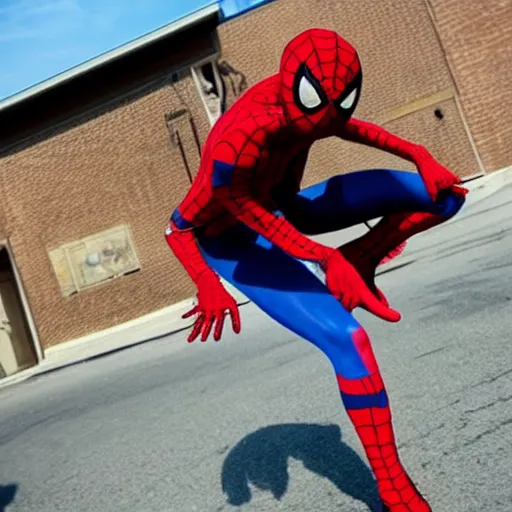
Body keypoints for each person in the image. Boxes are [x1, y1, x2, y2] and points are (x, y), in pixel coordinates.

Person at [165, 28, 467, 512]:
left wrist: (419, 154)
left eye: (337, 108)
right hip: (234, 243)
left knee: (445, 195)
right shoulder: (237, 141)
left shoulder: (312, 105)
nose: (323, 125)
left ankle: (364, 255)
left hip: (285, 211)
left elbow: (346, 126)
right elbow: (177, 227)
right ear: (293, 92)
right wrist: (208, 284)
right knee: (351, 340)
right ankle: (392, 487)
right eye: (316, 112)